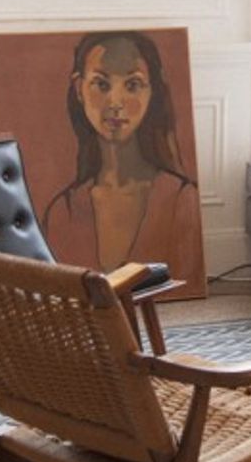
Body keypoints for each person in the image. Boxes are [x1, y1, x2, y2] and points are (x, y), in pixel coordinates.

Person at [43, 31, 202, 285]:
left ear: (152, 91)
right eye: (101, 84)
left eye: (133, 85)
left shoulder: (180, 199)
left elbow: (184, 288)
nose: (115, 102)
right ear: (79, 88)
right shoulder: (64, 211)